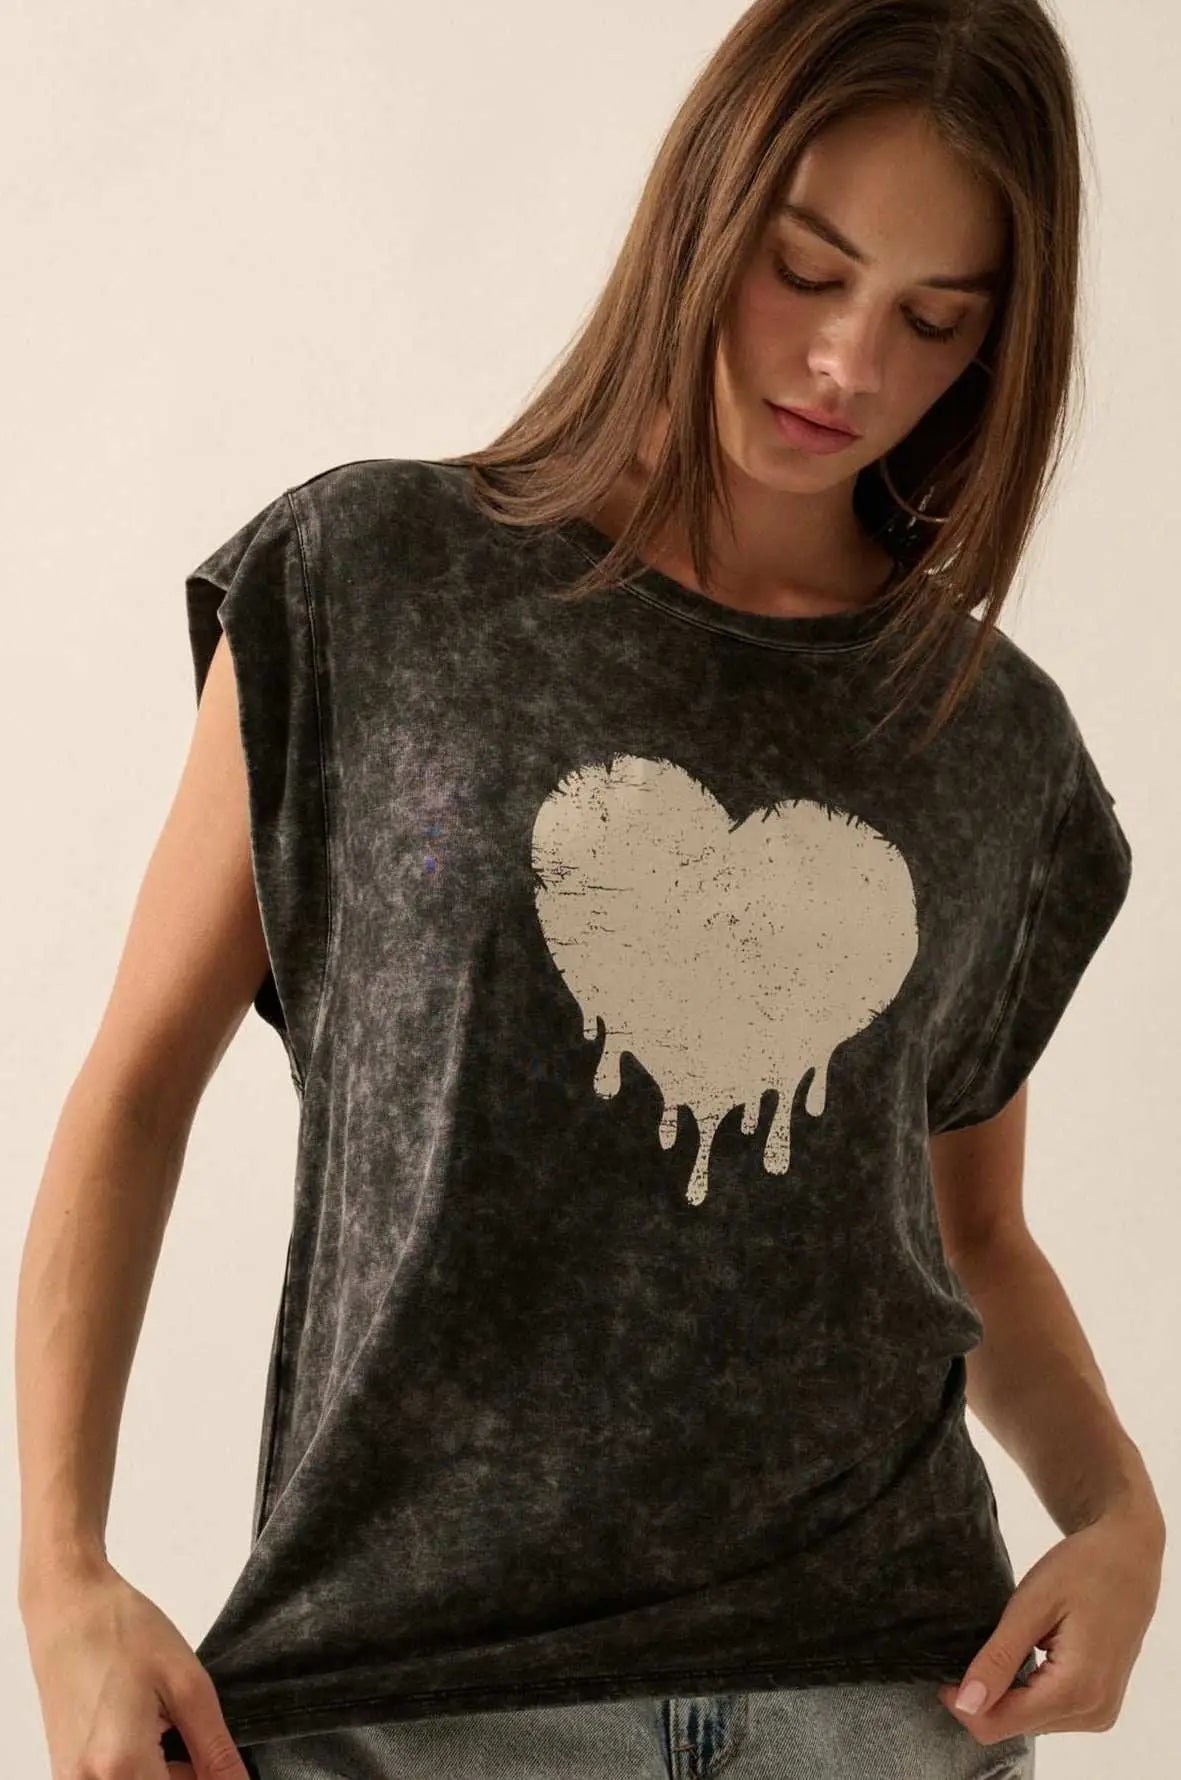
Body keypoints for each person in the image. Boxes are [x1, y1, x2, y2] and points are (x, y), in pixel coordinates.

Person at [16, 1, 1166, 1777]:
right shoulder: (364, 582)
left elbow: (974, 1236)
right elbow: (134, 1087)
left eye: (934, 320)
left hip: (878, 1700)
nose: (847, 362)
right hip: (406, 1700)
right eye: (804, 270)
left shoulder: (990, 734)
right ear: (700, 208)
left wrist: (1116, 1511)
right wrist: (61, 1574)